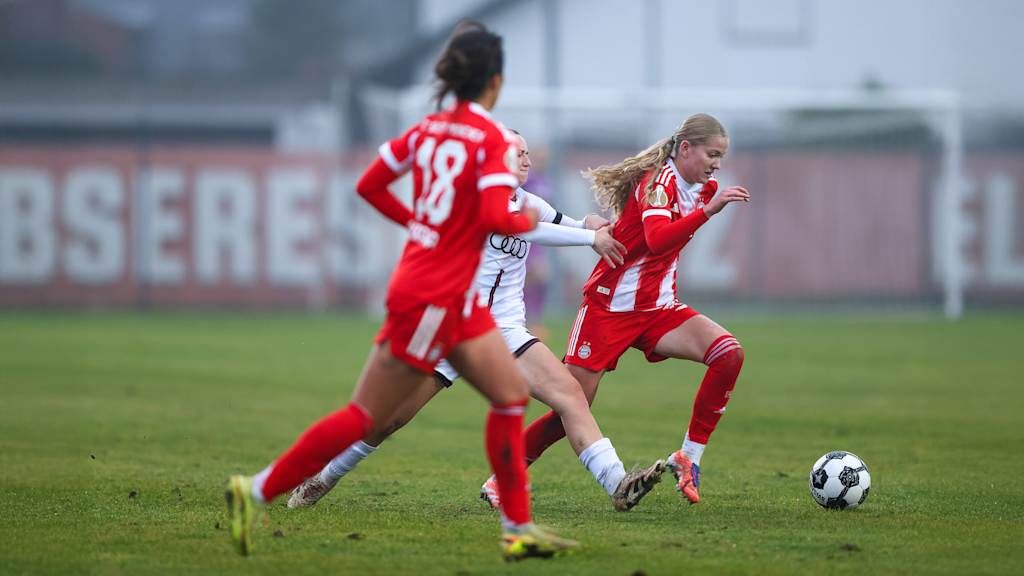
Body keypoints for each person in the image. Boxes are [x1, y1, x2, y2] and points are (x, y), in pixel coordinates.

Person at [224, 20, 577, 561]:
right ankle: (254, 492)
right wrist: (530, 217)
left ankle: (517, 529)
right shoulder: (486, 139)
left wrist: (421, 225)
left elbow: (370, 185)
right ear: (495, 82)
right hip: (436, 296)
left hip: (446, 293)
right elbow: (490, 214)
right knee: (367, 416)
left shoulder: (429, 129)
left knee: (509, 395)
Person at [288, 129, 667, 514]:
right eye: (517, 153)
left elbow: (558, 222)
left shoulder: (524, 198)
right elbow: (528, 228)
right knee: (387, 421)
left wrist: (588, 224)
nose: (527, 160)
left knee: (570, 395)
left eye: (526, 153)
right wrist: (589, 241)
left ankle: (618, 483)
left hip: (502, 330)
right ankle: (324, 476)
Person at [511, 113, 749, 505]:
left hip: (658, 310)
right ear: (685, 148)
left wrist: (706, 207)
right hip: (609, 307)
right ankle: (503, 477)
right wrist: (708, 213)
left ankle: (688, 458)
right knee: (572, 406)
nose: (717, 165)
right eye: (712, 154)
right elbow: (656, 241)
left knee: (728, 354)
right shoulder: (658, 184)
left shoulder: (705, 191)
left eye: (722, 157)